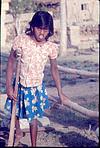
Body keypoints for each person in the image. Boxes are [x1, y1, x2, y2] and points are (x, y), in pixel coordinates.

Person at [5, 10, 67, 147]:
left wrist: (60, 92)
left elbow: (54, 70)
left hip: (35, 88)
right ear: (32, 26)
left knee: (33, 119)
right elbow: (10, 62)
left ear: (50, 31)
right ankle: (18, 132)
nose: (41, 33)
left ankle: (34, 145)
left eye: (45, 30)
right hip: (20, 85)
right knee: (15, 111)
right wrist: (9, 86)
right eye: (39, 28)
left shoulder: (50, 48)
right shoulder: (21, 40)